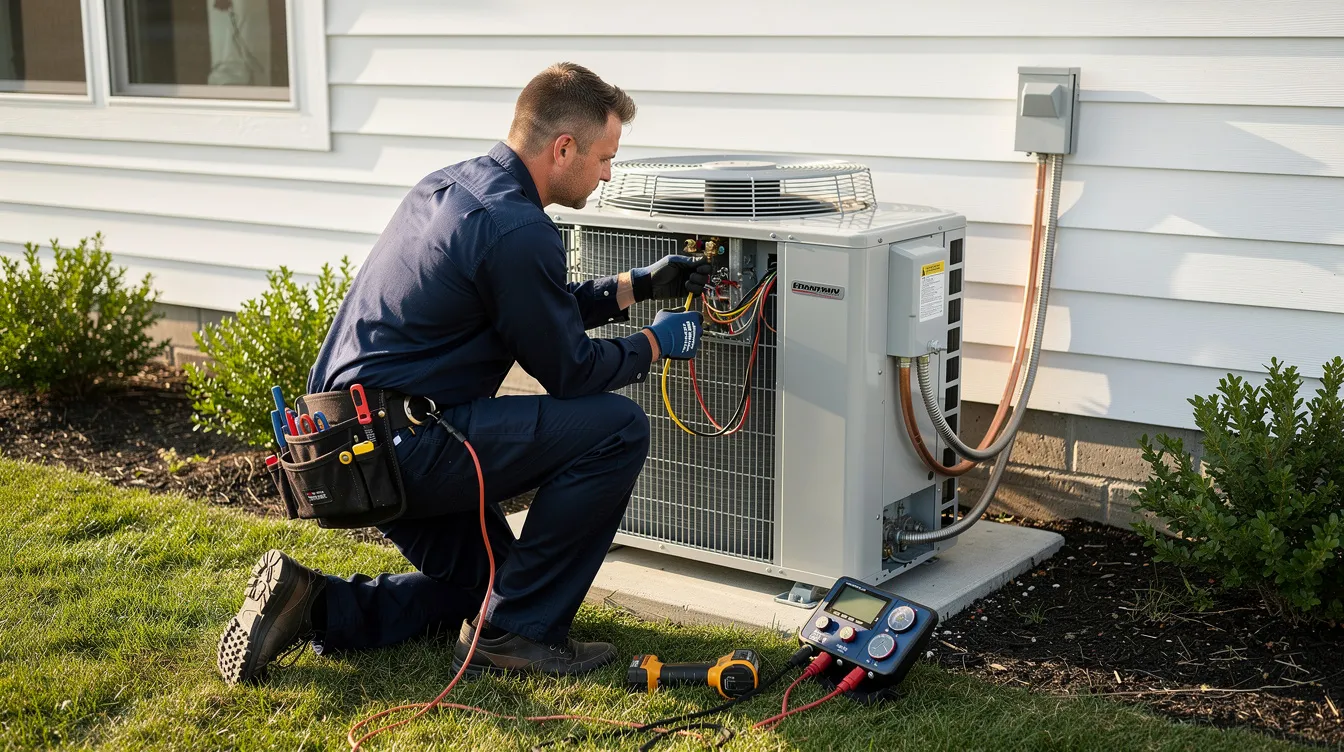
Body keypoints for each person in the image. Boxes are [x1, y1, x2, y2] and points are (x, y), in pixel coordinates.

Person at [217, 62, 710, 685]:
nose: (609, 173)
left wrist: (636, 286)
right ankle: (514, 640)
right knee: (617, 427)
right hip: (402, 444)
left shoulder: (450, 189)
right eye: (606, 157)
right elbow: (571, 370)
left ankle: (313, 606)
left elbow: (535, 308)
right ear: (564, 148)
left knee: (490, 589)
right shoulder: (518, 227)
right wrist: (656, 343)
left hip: (343, 443)